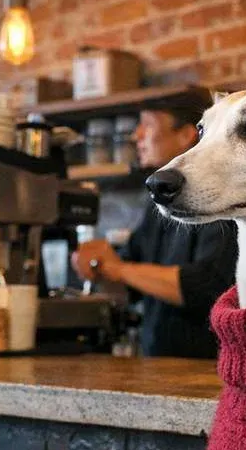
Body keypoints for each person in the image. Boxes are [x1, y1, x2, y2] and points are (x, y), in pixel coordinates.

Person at [72, 94, 236, 358]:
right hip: (158, 362)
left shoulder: (218, 198)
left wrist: (119, 269)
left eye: (147, 125)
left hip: (206, 369)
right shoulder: (158, 200)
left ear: (186, 135)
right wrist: (99, 265)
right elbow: (131, 276)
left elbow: (207, 288)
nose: (136, 135)